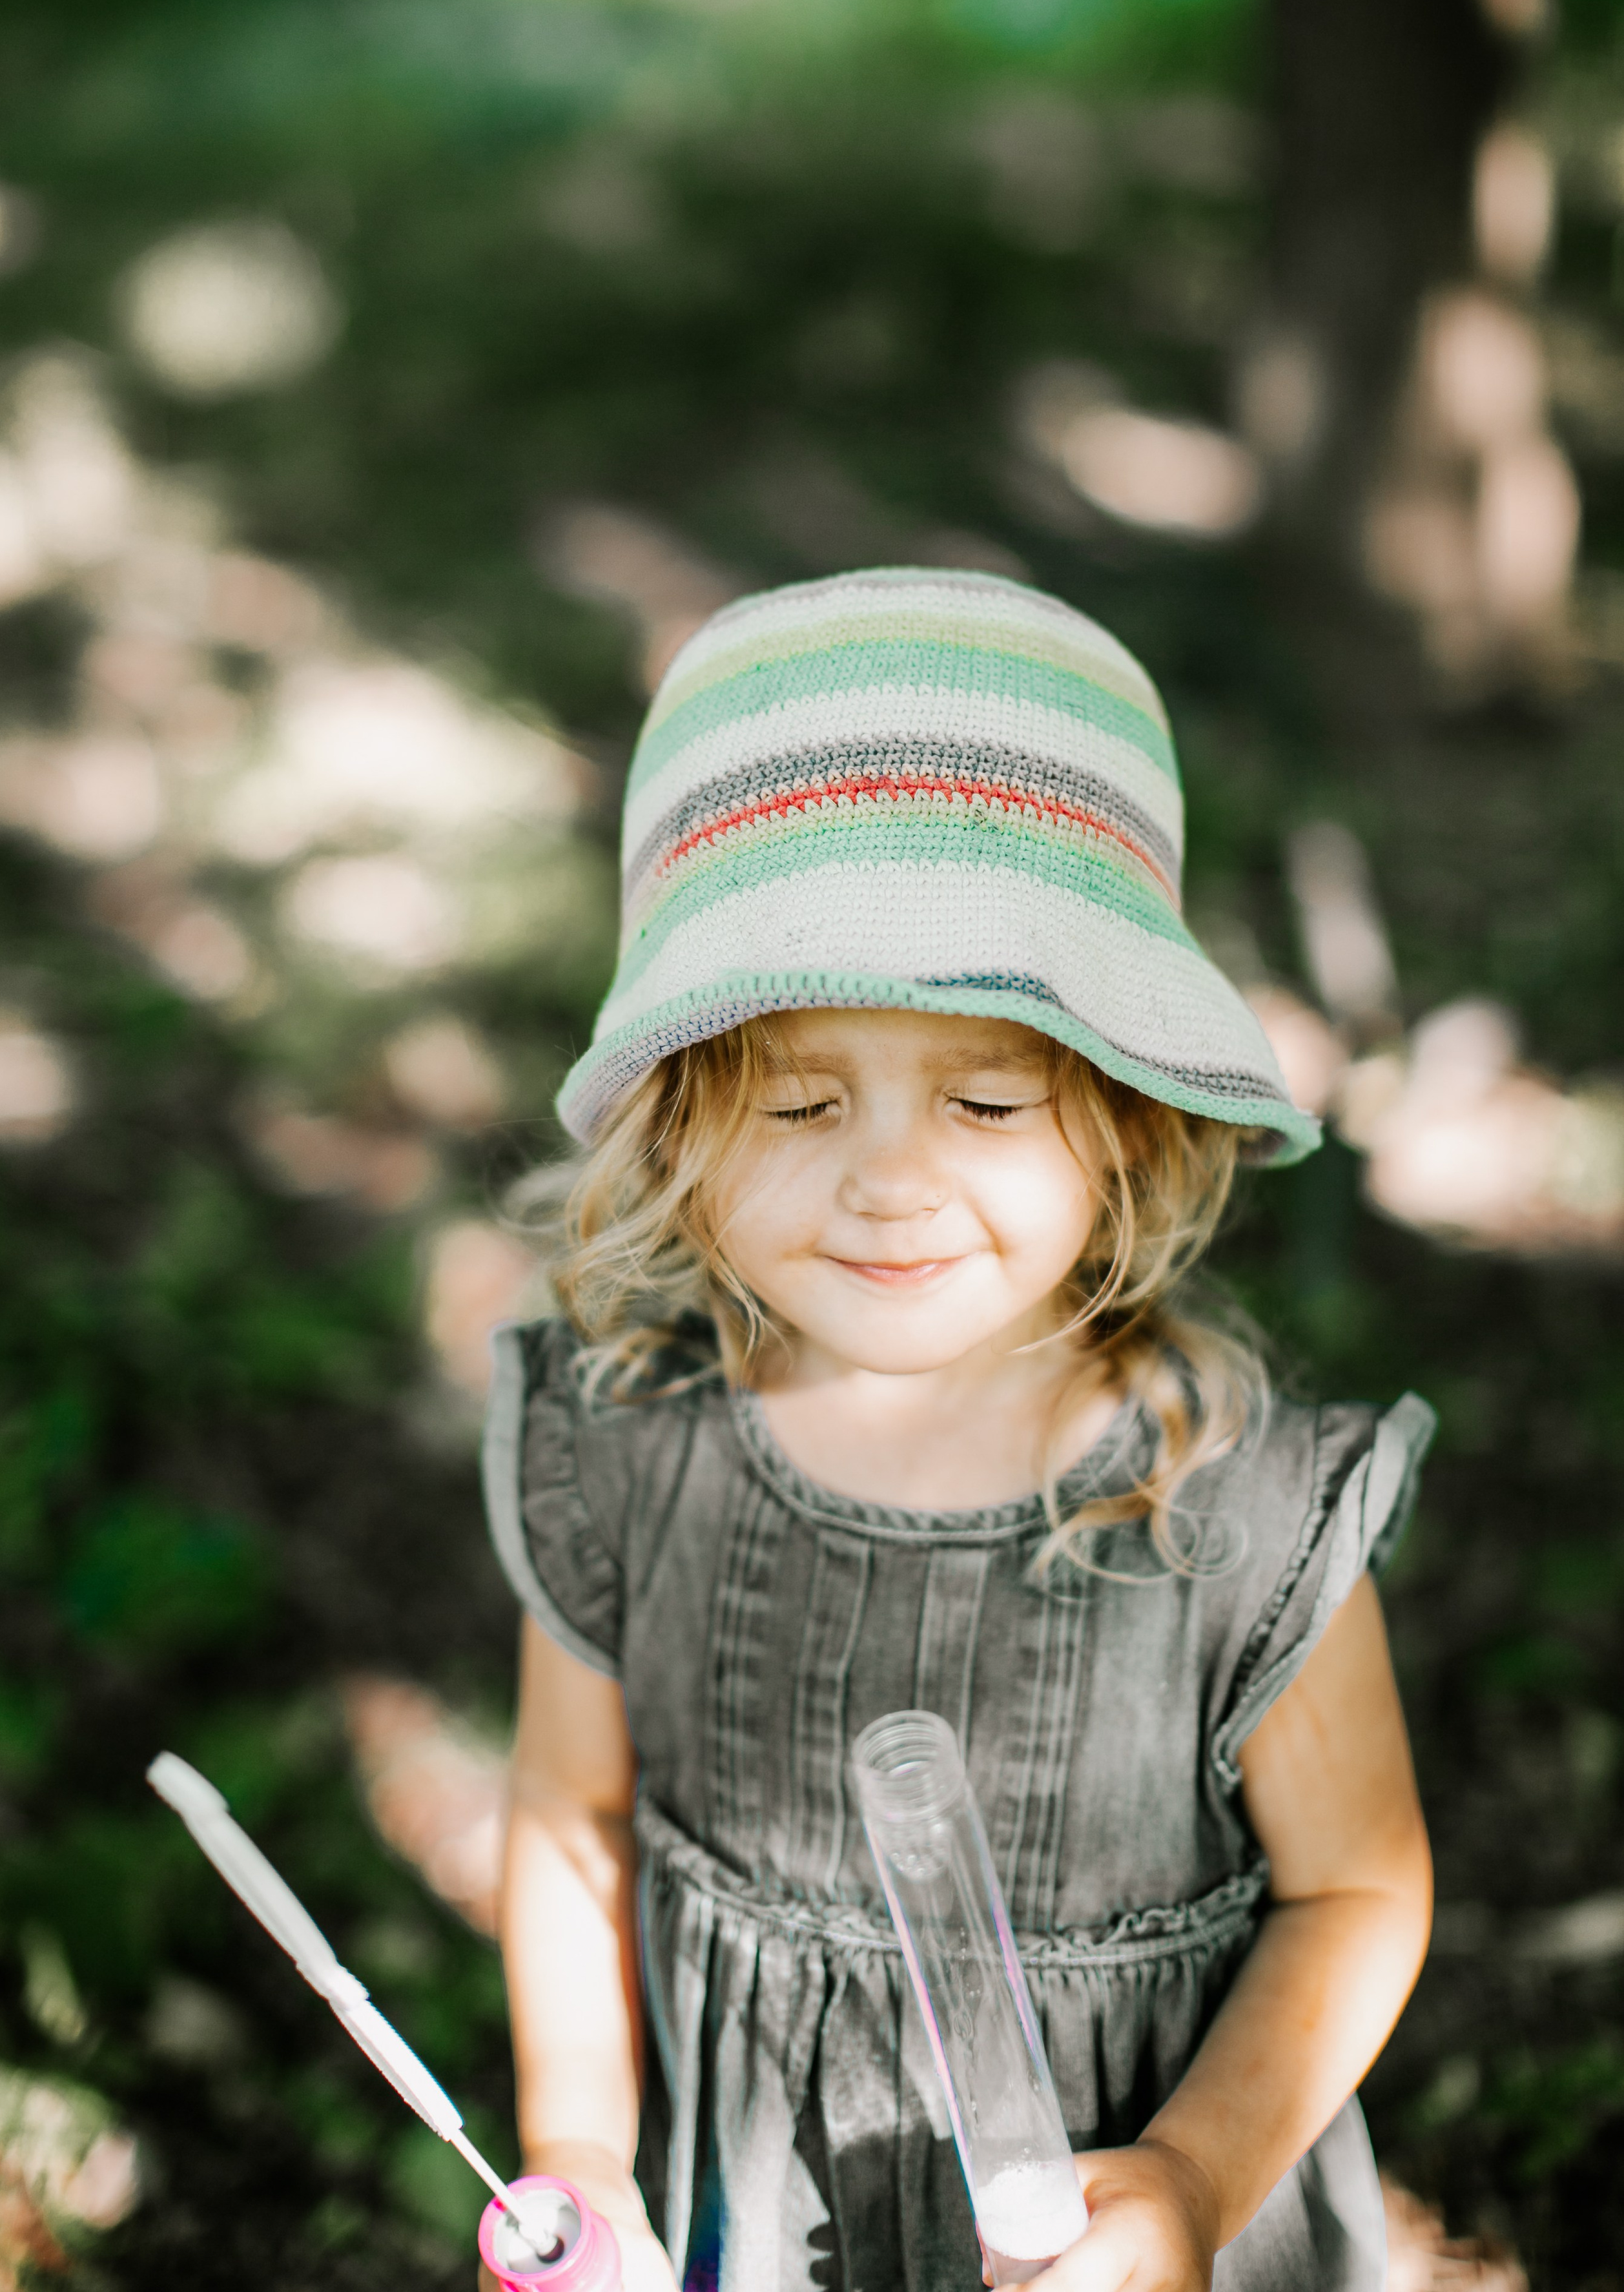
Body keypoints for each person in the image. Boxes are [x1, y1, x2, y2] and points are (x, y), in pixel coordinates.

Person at [480, 568, 1434, 2292]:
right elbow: (571, 1817)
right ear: (683, 1121)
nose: (892, 1176)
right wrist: (582, 2155)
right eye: (799, 1099)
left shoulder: (1230, 1508)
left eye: (988, 1097)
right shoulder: (633, 1448)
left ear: (1123, 1127)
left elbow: (1359, 1893)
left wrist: (1201, 2182)